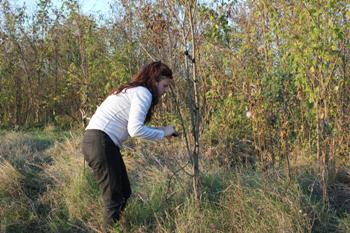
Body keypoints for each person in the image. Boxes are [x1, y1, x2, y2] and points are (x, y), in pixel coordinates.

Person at [81, 61, 176, 232]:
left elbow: (133, 125)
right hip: (101, 142)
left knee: (124, 192)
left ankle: (116, 228)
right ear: (154, 81)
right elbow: (135, 129)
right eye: (164, 85)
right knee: (114, 198)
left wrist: (162, 130)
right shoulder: (143, 93)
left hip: (98, 141)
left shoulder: (133, 91)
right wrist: (162, 134)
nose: (164, 92)